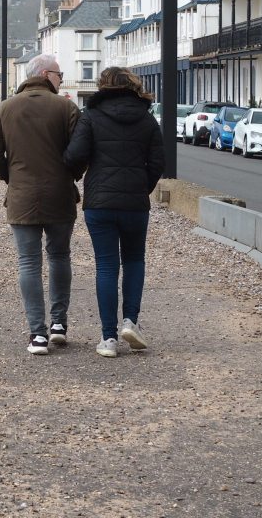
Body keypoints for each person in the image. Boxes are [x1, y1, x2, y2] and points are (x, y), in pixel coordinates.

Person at [0, 54, 81, 355]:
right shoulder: (66, 107)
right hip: (60, 194)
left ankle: (37, 335)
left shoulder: (6, 108)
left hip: (22, 195)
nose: (62, 79)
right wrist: (70, 175)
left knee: (28, 262)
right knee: (60, 256)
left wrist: (13, 179)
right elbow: (80, 152)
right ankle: (58, 325)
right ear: (47, 74)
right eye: (60, 74)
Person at [63, 67, 164, 358]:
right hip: (135, 204)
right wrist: (141, 187)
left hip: (100, 203)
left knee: (106, 266)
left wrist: (83, 175)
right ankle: (130, 321)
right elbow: (158, 161)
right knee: (134, 260)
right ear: (133, 87)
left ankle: (108, 338)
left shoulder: (91, 117)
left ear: (103, 86)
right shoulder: (146, 119)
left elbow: (74, 157)